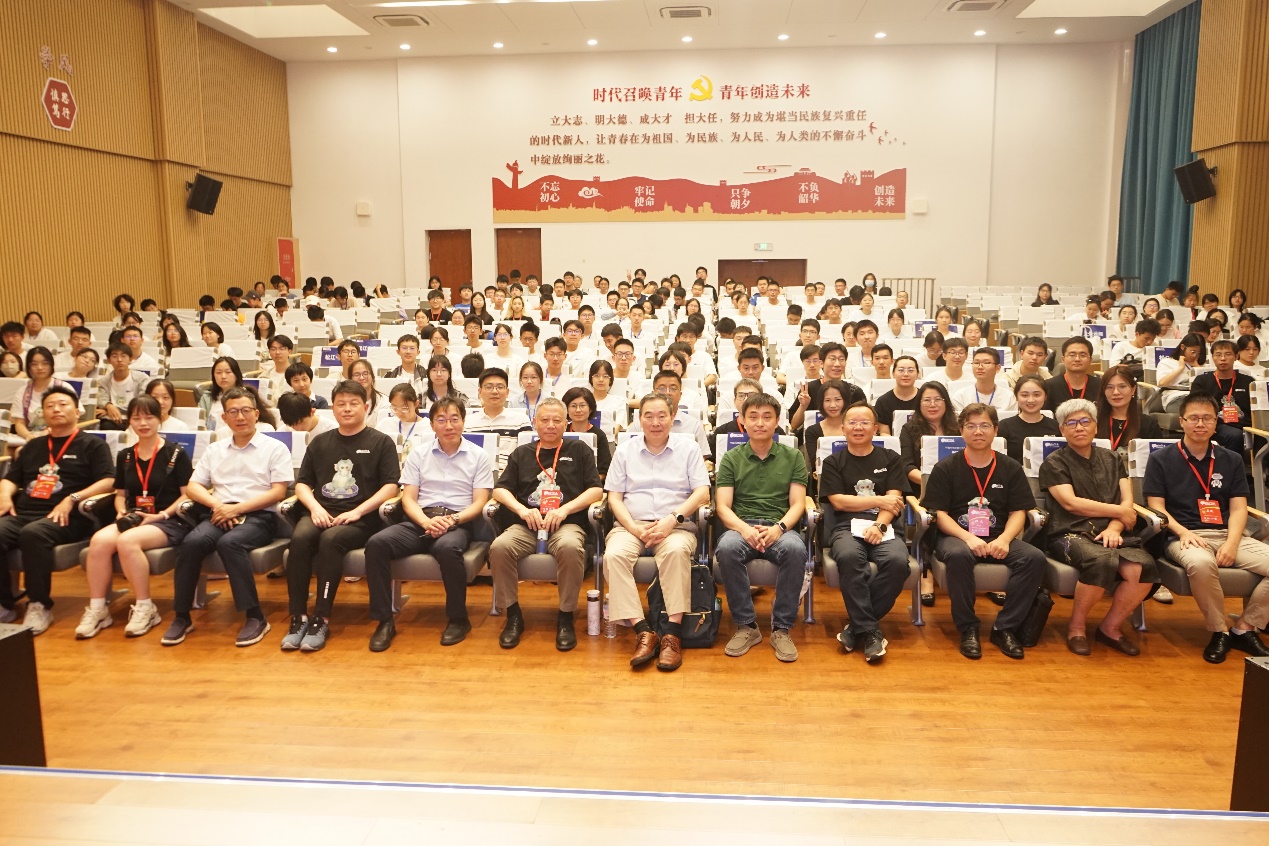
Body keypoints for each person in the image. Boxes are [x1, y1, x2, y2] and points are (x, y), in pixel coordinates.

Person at [1143, 393, 1269, 663]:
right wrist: (1183, 532)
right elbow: (1157, 507)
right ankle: (1219, 630)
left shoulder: (1231, 459)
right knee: (1201, 564)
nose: (1200, 424)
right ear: (1181, 421)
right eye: (1194, 418)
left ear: (1216, 423)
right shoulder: (1161, 459)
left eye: (1207, 418)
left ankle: (1245, 627)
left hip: (1227, 533)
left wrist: (1231, 544)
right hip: (1183, 536)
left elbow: (1239, 509)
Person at [162, 387, 292, 647]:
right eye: (233, 412)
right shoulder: (215, 449)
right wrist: (219, 505)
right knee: (191, 543)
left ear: (256, 414)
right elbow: (194, 486)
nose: (240, 417)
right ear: (224, 418)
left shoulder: (275, 448)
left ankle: (255, 616)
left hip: (258, 516)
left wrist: (238, 509)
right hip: (219, 512)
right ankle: (182, 616)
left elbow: (278, 492)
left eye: (245, 411)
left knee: (230, 543)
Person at [363, 397, 494, 651]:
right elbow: (408, 499)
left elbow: (480, 502)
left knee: (448, 548)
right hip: (420, 519)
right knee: (377, 544)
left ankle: (458, 619)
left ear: (464, 422)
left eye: (455, 419)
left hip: (457, 521)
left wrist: (452, 519)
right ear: (432, 424)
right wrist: (425, 521)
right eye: (441, 420)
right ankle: (384, 621)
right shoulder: (419, 454)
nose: (449, 426)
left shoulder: (478, 456)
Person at [281, 380, 400, 652]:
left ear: (366, 407)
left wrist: (357, 511)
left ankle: (321, 618)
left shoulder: (380, 442)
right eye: (341, 404)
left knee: (330, 540)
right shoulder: (320, 442)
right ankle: (298, 616)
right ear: (332, 408)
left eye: (353, 403)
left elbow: (391, 486)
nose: (347, 409)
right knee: (299, 539)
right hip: (321, 511)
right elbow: (302, 484)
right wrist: (315, 508)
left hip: (362, 517)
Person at [920, 403, 1045, 660]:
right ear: (961, 431)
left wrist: (1005, 539)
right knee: (959, 555)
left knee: (1034, 558)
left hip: (998, 534)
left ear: (996, 430)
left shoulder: (1011, 467)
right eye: (971, 426)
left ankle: (1005, 628)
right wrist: (968, 537)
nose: (978, 432)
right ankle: (968, 628)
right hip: (956, 535)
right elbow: (939, 514)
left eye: (985, 425)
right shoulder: (946, 467)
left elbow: (1019, 511)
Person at [1041, 399, 1159, 656]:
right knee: (1101, 561)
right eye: (1071, 423)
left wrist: (1115, 528)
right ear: (1062, 430)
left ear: (1096, 426)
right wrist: (1120, 513)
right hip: (1069, 532)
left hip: (1112, 531)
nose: (1079, 427)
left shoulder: (1112, 458)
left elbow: (1127, 500)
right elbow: (1071, 504)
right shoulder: (1054, 462)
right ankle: (1076, 628)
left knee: (1143, 567)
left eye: (1085, 421)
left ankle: (1110, 627)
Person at [604, 394, 711, 672]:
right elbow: (614, 497)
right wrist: (633, 527)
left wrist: (672, 520)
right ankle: (643, 631)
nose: (655, 422)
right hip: (632, 526)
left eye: (662, 416)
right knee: (614, 556)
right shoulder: (624, 451)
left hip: (675, 527)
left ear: (672, 418)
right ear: (639, 420)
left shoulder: (688, 448)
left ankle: (672, 635)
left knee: (676, 552)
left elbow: (702, 492)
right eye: (648, 416)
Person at [489, 398, 603, 651]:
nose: (550, 425)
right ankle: (513, 614)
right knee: (499, 547)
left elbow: (596, 490)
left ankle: (565, 616)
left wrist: (565, 510)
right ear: (534, 422)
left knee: (571, 548)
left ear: (566, 423)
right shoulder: (522, 453)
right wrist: (522, 509)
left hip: (566, 524)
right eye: (544, 420)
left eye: (557, 420)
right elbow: (500, 490)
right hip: (527, 525)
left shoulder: (579, 450)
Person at [77, 396, 194, 640]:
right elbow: (120, 495)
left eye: (149, 417)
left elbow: (187, 495)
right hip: (133, 517)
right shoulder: (126, 455)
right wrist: (121, 510)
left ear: (159, 419)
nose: (143, 423)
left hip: (168, 519)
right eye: (136, 418)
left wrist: (161, 514)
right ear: (129, 421)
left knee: (127, 541)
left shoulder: (176, 453)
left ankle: (145, 607)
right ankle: (98, 608)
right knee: (99, 541)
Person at [0, 387, 115, 632]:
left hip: (68, 516)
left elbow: (108, 480)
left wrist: (73, 498)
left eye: (63, 404)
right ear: (43, 413)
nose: (56, 410)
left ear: (77, 411)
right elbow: (10, 478)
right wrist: (5, 495)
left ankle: (39, 605)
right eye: (50, 406)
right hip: (24, 512)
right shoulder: (33, 446)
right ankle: (4, 604)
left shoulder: (92, 445)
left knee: (33, 533)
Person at [714, 392, 809, 663]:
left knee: (795, 549)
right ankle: (746, 625)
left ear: (777, 421)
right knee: (727, 548)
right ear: (742, 421)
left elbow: (798, 504)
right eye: (753, 417)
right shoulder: (731, 458)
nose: (760, 423)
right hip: (741, 527)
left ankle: (781, 628)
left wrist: (779, 527)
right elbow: (722, 507)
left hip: (780, 528)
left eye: (767, 417)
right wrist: (744, 529)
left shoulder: (793, 456)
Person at [820, 402, 910, 664]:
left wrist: (879, 526)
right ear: (843, 428)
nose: (858, 427)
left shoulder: (891, 459)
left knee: (897, 562)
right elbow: (838, 502)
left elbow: (894, 501)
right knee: (849, 557)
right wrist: (879, 500)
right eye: (852, 422)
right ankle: (870, 631)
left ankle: (857, 627)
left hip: (884, 527)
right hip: (845, 528)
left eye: (864, 422)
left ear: (875, 428)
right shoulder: (833, 461)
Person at [1190, 339, 1253, 455]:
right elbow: (1195, 408)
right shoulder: (1202, 381)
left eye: (1228, 354)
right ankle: (1231, 466)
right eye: (1218, 355)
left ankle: (1260, 466)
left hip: (1245, 424)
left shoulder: (1248, 382)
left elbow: (1254, 411)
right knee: (1235, 435)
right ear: (1212, 357)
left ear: (1236, 356)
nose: (1223, 358)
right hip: (1216, 425)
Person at [13, 348, 75, 442]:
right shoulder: (22, 392)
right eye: (34, 364)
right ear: (28, 367)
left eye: (45, 363)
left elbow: (73, 419)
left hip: (59, 436)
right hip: (31, 438)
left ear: (51, 365)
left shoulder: (64, 387)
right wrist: (28, 436)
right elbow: (19, 423)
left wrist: (49, 431)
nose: (40, 367)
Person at [1095, 364, 1160, 454]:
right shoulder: (1093, 421)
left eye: (1122, 386)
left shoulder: (1148, 424)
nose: (1116, 392)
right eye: (1110, 387)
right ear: (1104, 391)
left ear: (1133, 389)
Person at [997, 376, 1060, 462]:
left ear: (1045, 397)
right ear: (1016, 397)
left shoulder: (1056, 426)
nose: (1031, 400)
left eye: (1036, 395)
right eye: (1024, 395)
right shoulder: (1004, 426)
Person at [96, 343, 150, 431]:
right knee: (104, 425)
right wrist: (108, 405)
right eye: (114, 356)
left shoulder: (142, 378)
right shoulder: (103, 382)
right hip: (112, 420)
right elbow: (102, 399)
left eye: (123, 356)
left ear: (130, 359)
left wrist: (110, 409)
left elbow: (142, 401)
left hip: (135, 417)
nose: (119, 360)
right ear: (109, 360)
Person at [562, 386, 611, 479]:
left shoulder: (599, 435)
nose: (578, 410)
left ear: (590, 408)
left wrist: (590, 482)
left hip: (592, 482)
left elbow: (604, 470)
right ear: (566, 410)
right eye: (573, 406)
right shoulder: (562, 432)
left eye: (582, 405)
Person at [1044, 337, 1101, 412]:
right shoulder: (1048, 386)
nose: (1077, 359)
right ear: (1063, 359)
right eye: (1072, 355)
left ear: (1090, 360)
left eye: (1082, 355)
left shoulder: (1101, 385)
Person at [951, 349, 1016, 414]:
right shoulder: (960, 396)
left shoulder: (1009, 397)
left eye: (986, 363)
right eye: (976, 363)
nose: (980, 367)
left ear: (997, 368)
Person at [1156, 333, 1206, 410]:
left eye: (1198, 353)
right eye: (1193, 352)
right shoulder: (1167, 362)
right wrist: (1180, 368)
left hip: (1198, 398)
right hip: (1176, 398)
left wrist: (1197, 367)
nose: (1195, 355)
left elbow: (1208, 384)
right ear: (1182, 347)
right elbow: (1162, 383)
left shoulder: (1200, 365)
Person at [874, 355, 920, 435]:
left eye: (911, 370)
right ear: (893, 374)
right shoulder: (883, 402)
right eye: (901, 370)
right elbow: (884, 433)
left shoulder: (925, 399)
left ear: (917, 374)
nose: (906, 374)